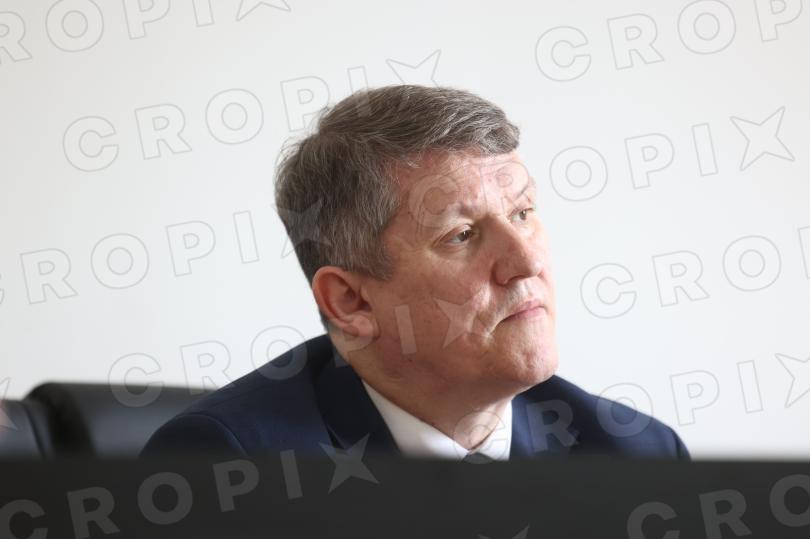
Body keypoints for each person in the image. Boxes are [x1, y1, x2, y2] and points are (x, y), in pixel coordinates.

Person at [141, 85, 690, 461]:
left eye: (523, 213)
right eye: (462, 235)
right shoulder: (231, 463)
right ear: (351, 301)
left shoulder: (635, 455)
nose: (527, 262)